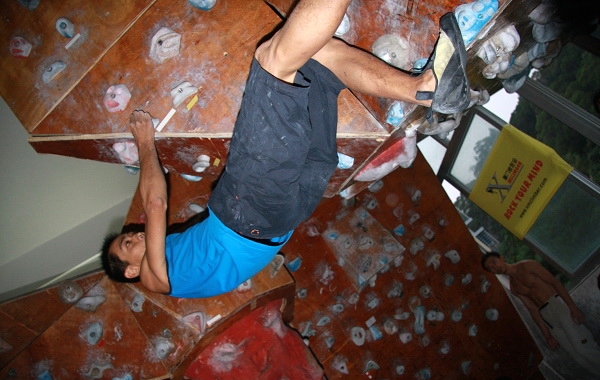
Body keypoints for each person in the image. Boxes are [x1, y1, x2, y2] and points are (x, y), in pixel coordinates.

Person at [101, 0, 470, 298]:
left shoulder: (180, 264)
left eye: (128, 235)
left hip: (285, 213)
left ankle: (425, 88)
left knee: (320, 60)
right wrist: (145, 142)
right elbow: (155, 204)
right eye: (127, 244)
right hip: (249, 212)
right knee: (273, 60)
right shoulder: (154, 279)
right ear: (131, 271)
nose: (134, 236)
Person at [482, 252, 600, 374]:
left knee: (583, 347)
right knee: (577, 356)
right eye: (490, 268)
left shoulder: (527, 265)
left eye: (494, 262)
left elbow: (554, 282)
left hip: (556, 303)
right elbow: (533, 310)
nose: (494, 268)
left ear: (501, 258)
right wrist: (547, 335)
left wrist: (573, 308)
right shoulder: (514, 288)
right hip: (546, 315)